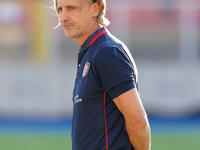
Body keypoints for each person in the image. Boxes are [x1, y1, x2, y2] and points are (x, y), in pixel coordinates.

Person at [53, 0, 151, 149]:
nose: (63, 18)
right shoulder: (92, 52)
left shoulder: (107, 53)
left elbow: (138, 121)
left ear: (95, 8)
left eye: (71, 8)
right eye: (60, 9)